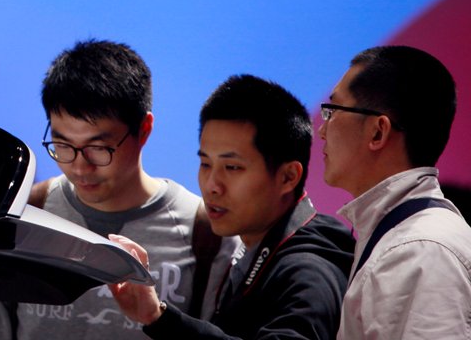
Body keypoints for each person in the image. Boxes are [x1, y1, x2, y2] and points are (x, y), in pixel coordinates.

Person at [0, 40, 236, 340]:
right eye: (62, 145)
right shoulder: (18, 219)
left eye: (99, 148)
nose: (79, 167)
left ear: (144, 130)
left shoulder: (206, 235)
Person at [108, 74, 354, 339]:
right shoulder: (262, 247)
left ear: (288, 177)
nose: (212, 185)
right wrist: (156, 317)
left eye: (232, 167)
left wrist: (160, 319)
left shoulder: (308, 271)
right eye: (205, 164)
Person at [319, 45, 471, 339]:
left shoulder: (419, 251)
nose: (322, 130)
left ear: (378, 131)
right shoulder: (404, 239)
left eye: (334, 110)